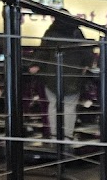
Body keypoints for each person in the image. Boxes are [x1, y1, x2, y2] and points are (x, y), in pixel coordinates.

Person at [37, 15, 93, 143]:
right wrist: (86, 66)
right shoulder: (76, 33)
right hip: (72, 76)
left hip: (52, 76)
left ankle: (54, 135)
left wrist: (36, 65)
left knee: (53, 105)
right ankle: (67, 135)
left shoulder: (50, 32)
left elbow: (42, 52)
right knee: (69, 106)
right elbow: (87, 52)